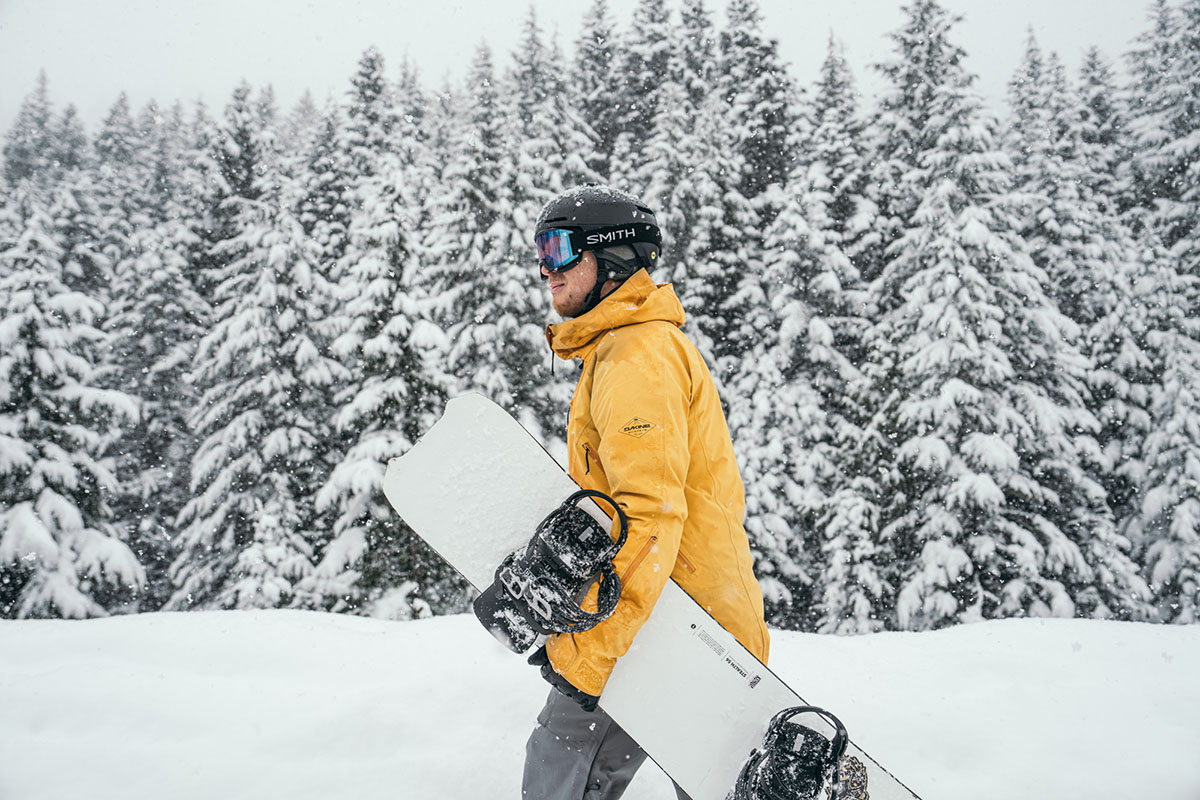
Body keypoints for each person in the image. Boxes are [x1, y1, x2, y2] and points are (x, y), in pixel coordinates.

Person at [522, 184, 770, 800]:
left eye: (556, 250)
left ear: (608, 260)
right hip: (663, 611)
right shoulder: (622, 350)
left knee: (563, 761)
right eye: (539, 250)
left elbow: (649, 518)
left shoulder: (638, 357)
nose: (544, 268)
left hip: (677, 624)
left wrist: (591, 654)